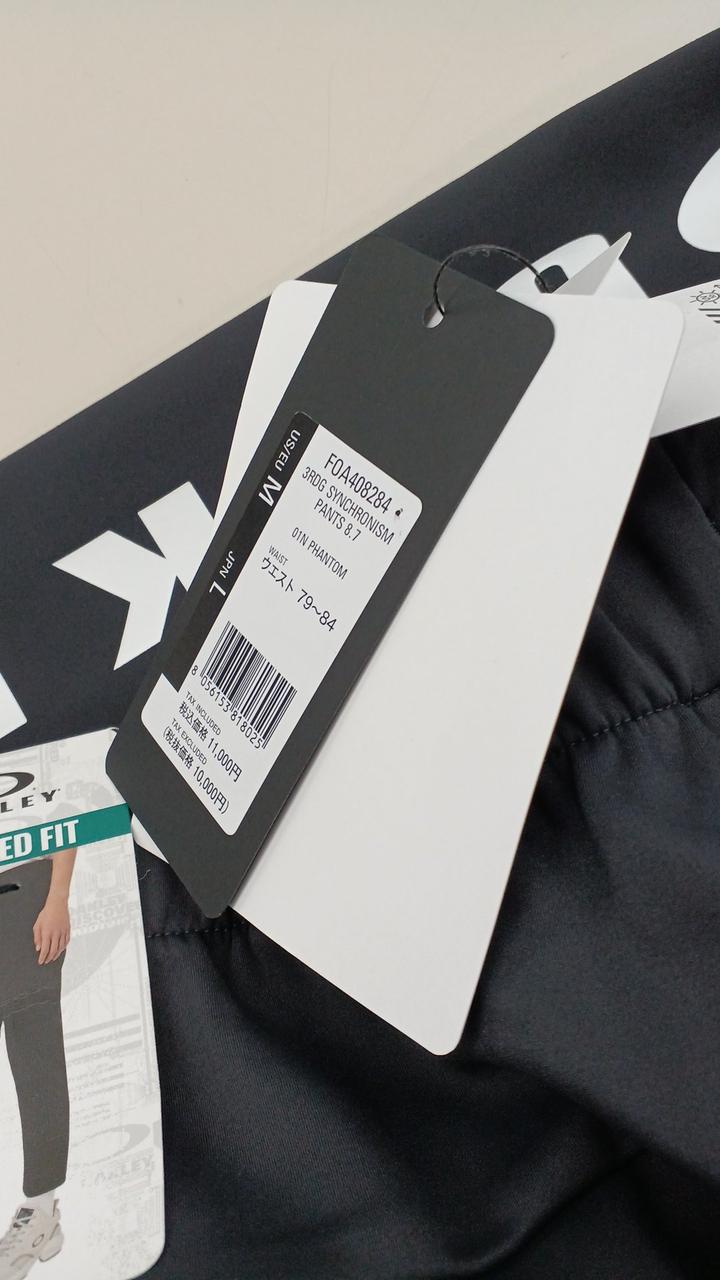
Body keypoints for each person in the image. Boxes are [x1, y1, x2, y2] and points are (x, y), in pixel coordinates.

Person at [0, 849, 76, 1279]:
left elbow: (66, 818)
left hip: (25, 894)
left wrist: (58, 898)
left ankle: (41, 1214)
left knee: (35, 1054)